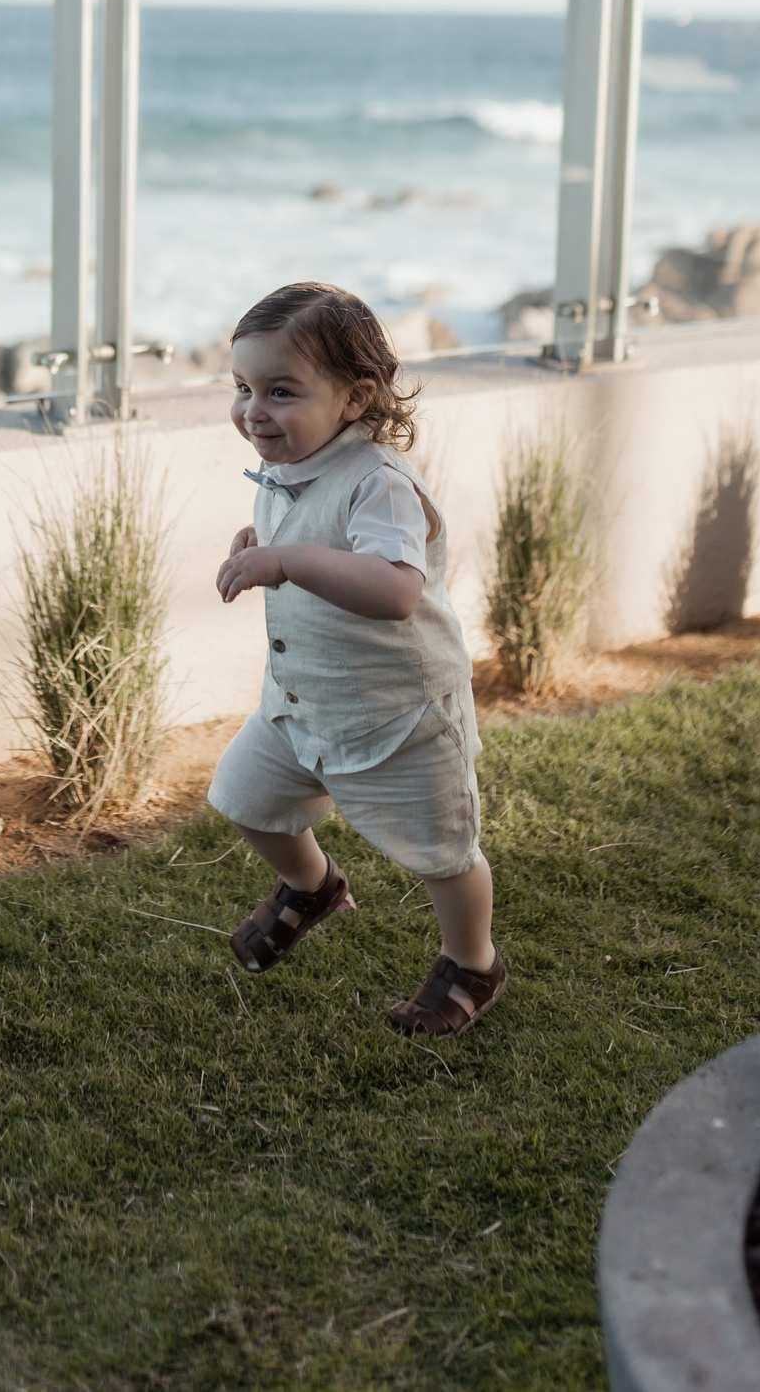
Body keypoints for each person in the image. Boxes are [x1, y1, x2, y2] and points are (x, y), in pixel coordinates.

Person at [205, 281, 504, 1037]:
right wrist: (262, 542)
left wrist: (288, 560)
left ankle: (472, 961)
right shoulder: (294, 458)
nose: (253, 410)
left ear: (355, 396)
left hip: (398, 715)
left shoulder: (379, 483)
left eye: (280, 391)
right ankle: (311, 885)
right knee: (244, 798)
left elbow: (395, 589)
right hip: (301, 701)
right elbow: (310, 527)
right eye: (243, 388)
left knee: (444, 854)